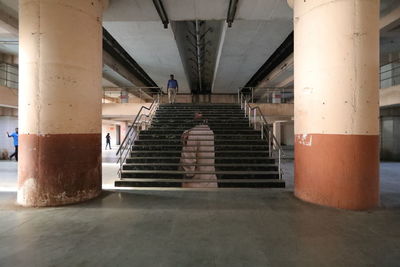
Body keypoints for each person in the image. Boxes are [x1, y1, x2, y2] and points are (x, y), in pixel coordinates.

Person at [180, 113, 218, 188]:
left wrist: (187, 173)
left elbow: (188, 162)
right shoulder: (210, 133)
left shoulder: (191, 134)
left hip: (195, 184)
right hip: (210, 182)